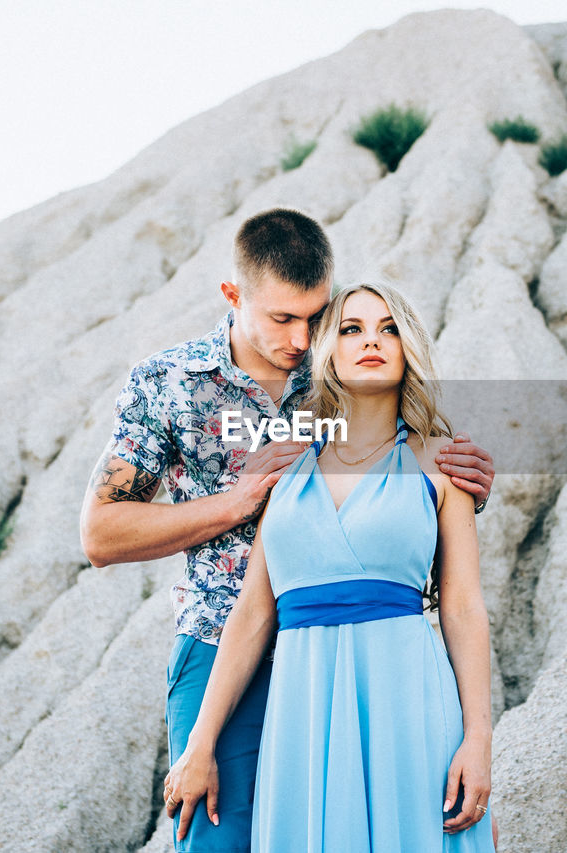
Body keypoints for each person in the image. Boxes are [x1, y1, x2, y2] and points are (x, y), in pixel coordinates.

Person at [78, 208, 496, 853]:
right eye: (281, 319)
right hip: (225, 637)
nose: (302, 339)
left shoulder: (339, 367)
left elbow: (402, 471)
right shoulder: (169, 385)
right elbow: (101, 534)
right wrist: (238, 501)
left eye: (316, 317)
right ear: (233, 297)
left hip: (365, 650)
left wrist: (456, 484)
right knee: (215, 841)